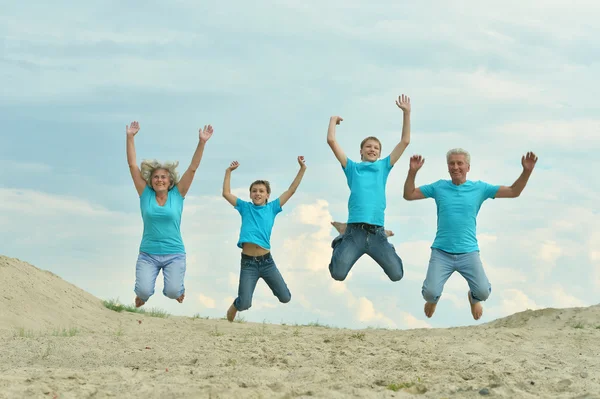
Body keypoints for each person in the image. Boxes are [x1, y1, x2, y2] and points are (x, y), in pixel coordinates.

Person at [403, 149, 538, 320]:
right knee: (429, 293)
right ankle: (433, 299)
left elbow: (513, 191)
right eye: (452, 163)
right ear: (447, 167)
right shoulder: (438, 187)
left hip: (468, 252)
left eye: (460, 163)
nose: (456, 167)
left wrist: (527, 171)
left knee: (483, 292)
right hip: (441, 252)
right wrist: (412, 172)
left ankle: (473, 299)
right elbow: (408, 195)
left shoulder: (479, 188)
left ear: (468, 167)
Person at [126, 120, 214, 308]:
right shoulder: (145, 194)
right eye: (156, 177)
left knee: (173, 291)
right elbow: (133, 166)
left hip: (174, 253)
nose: (159, 180)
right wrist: (130, 137)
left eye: (163, 177)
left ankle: (178, 291)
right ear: (151, 180)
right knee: (143, 291)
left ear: (170, 180)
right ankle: (142, 294)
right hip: (148, 254)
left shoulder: (178, 194)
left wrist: (202, 143)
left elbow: (192, 168)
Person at [327, 94, 411, 282]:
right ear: (361, 151)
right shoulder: (352, 168)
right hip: (354, 233)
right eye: (368, 146)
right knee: (337, 274)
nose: (372, 149)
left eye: (376, 148)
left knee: (397, 275)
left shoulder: (383, 166)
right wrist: (333, 121)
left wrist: (407, 113)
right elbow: (332, 141)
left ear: (380, 153)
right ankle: (341, 237)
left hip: (377, 234)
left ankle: (386, 239)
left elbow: (404, 141)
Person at [222, 156, 307, 322]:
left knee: (285, 297)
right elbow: (226, 193)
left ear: (267, 194)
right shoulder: (245, 207)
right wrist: (228, 172)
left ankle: (244, 301)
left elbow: (291, 191)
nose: (257, 193)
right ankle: (235, 305)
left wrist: (302, 169)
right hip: (248, 263)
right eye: (254, 191)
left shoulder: (272, 208)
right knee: (244, 303)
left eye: (261, 191)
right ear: (250, 194)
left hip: (267, 262)